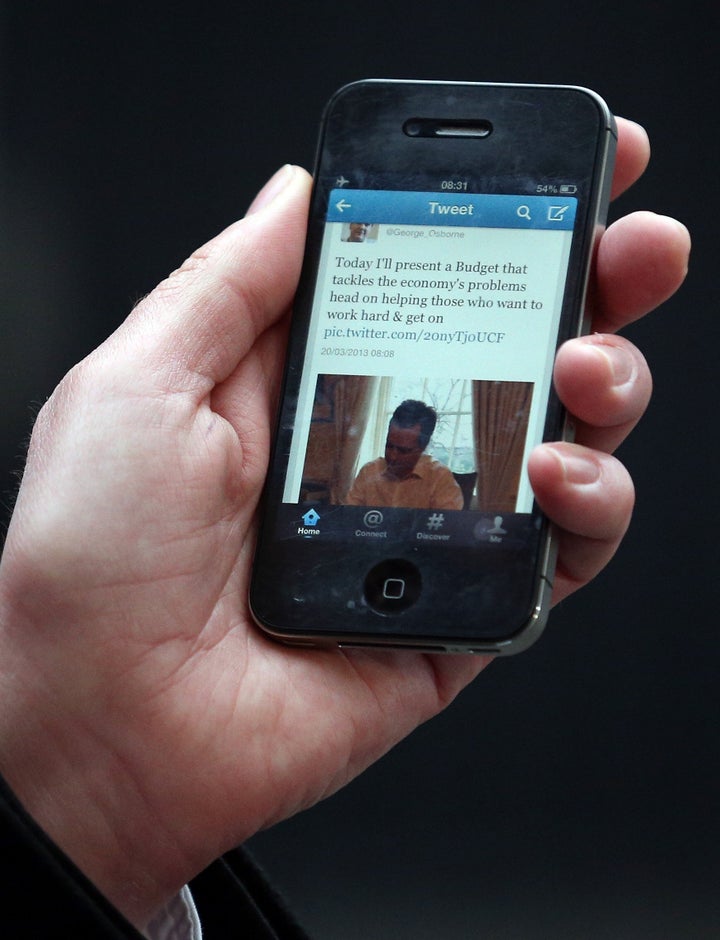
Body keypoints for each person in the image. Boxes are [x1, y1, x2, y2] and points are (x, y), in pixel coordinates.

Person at [0, 119, 690, 939]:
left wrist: (94, 805)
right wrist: (81, 774)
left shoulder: (440, 484)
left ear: (427, 442)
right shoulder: (365, 476)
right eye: (391, 442)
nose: (397, 456)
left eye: (408, 445)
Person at [344, 399, 465, 509]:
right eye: (389, 446)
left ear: (423, 447)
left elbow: (447, 529)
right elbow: (348, 519)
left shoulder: (440, 478)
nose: (393, 456)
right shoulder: (369, 471)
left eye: (403, 451)